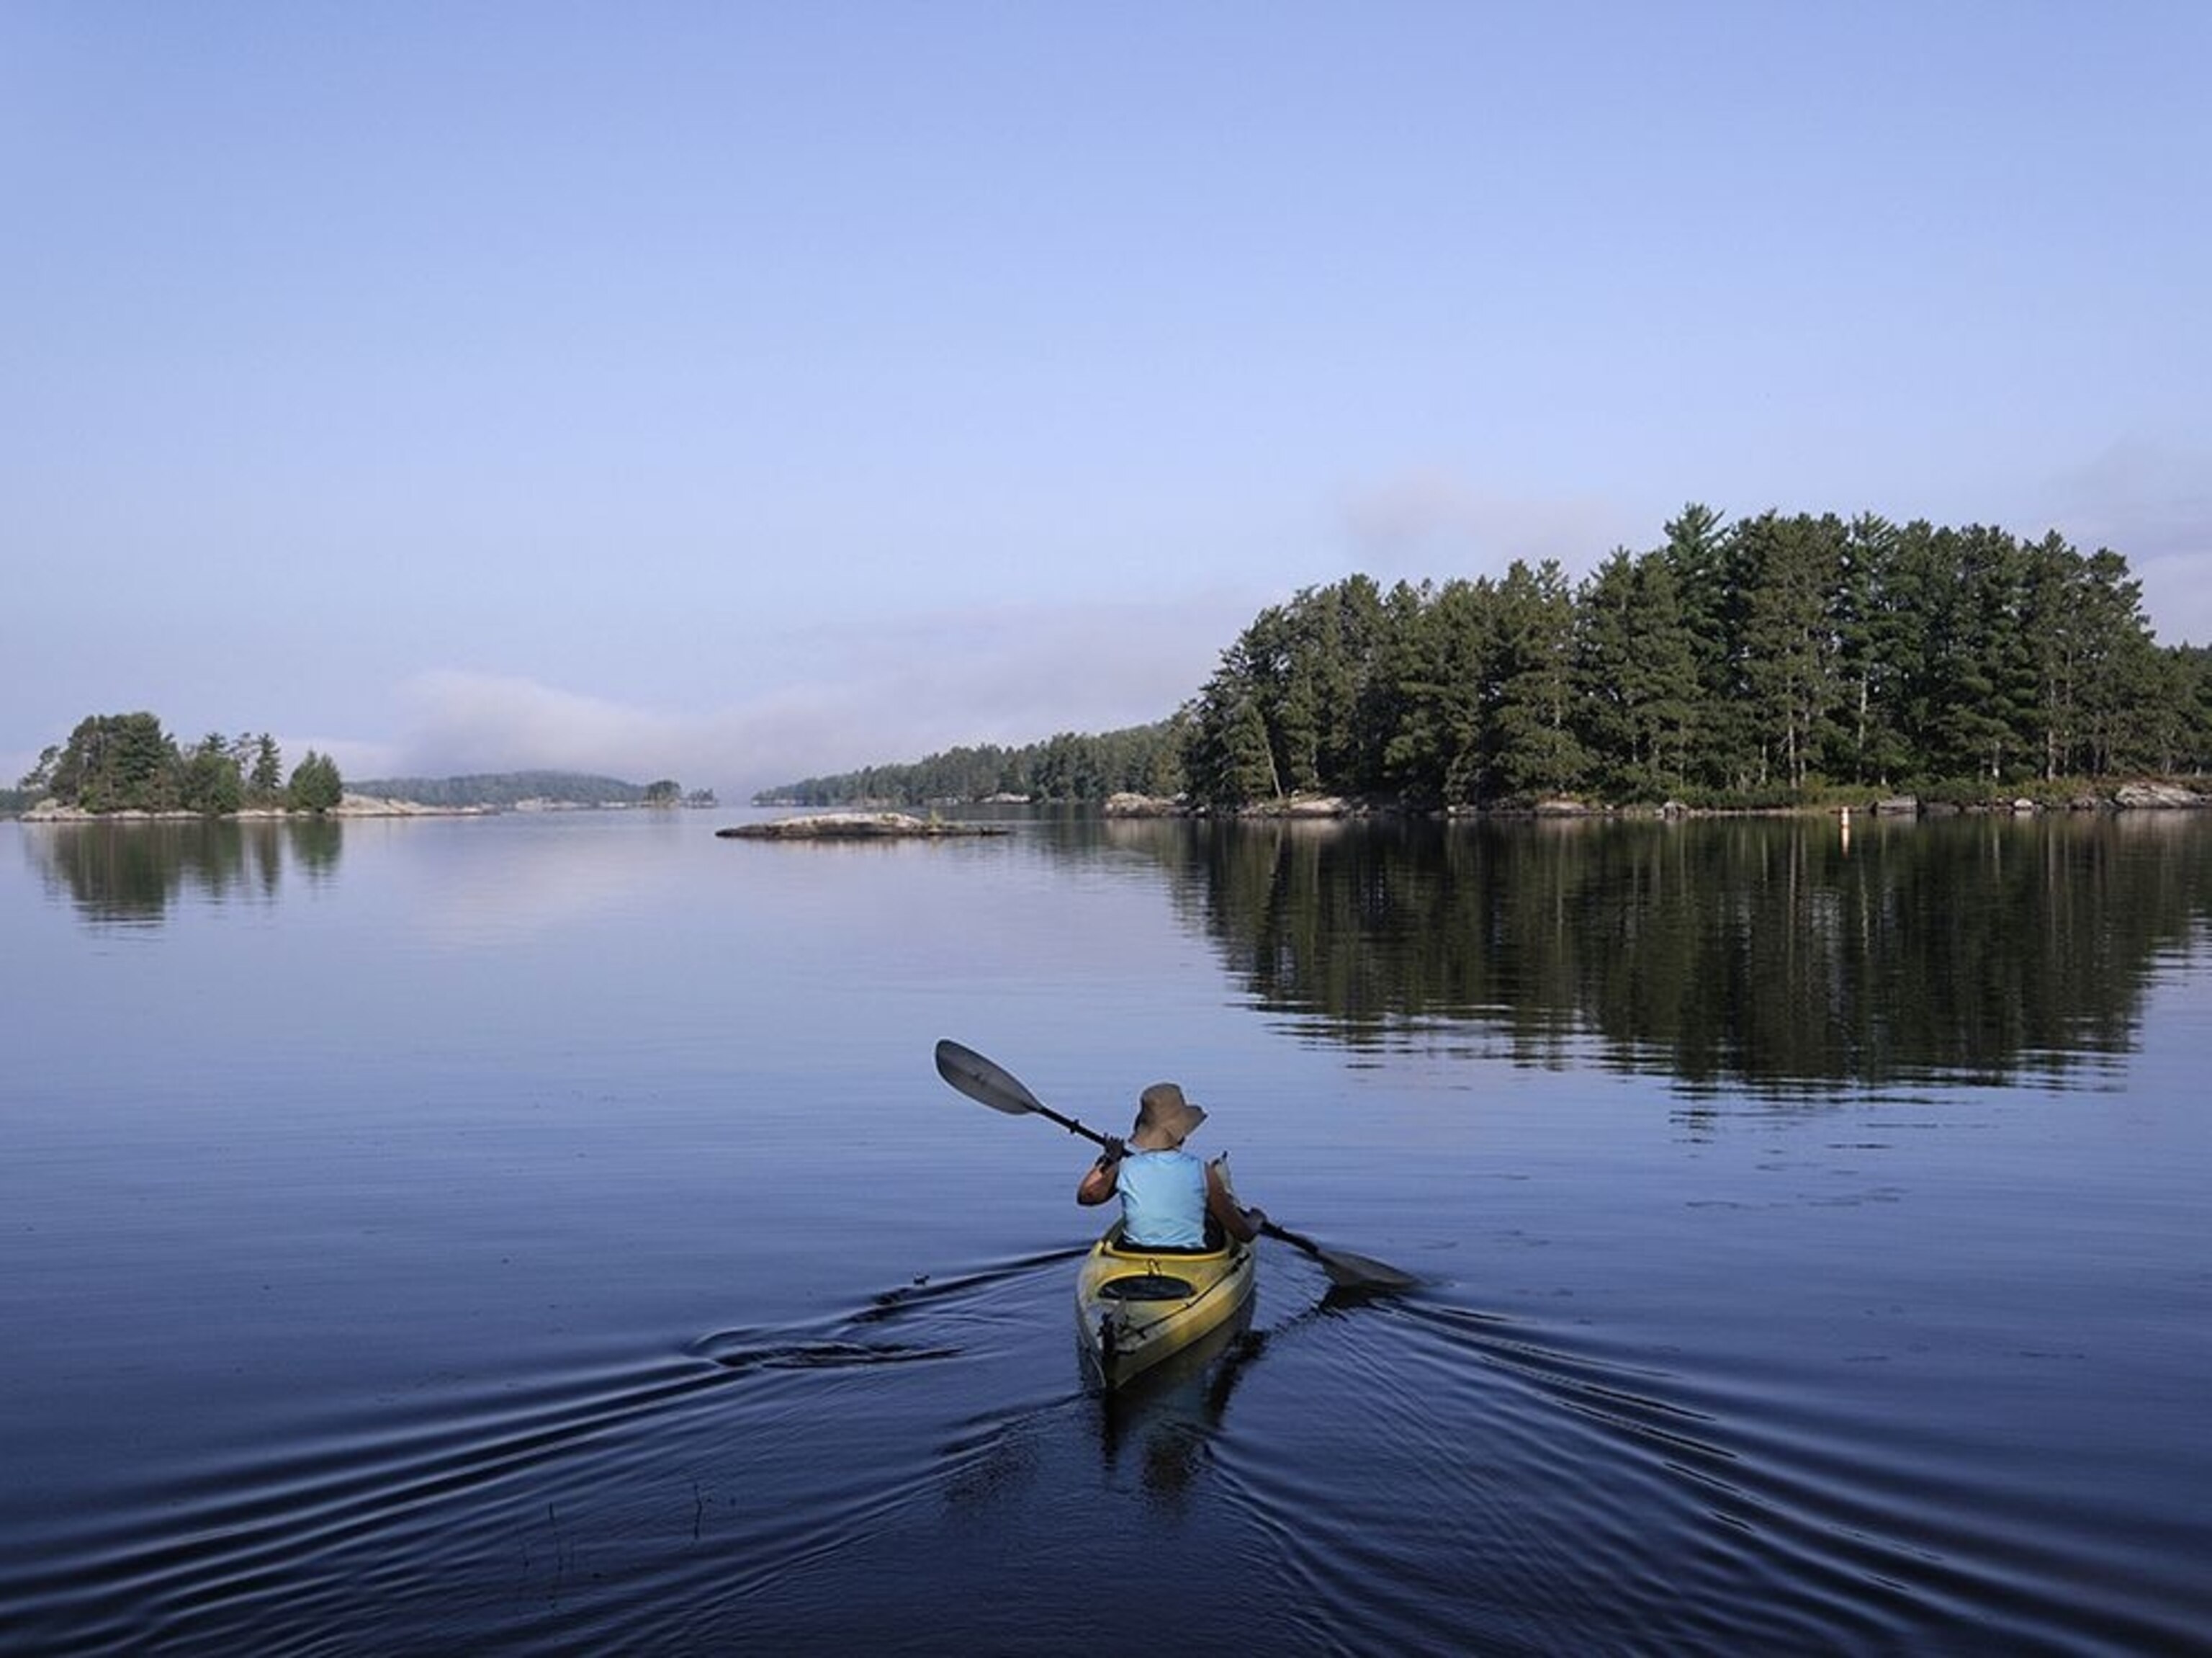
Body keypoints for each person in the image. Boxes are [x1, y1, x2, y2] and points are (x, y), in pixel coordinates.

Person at [1076, 1081, 1266, 1249]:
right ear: (1183, 1132)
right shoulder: (1203, 1172)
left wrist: (1108, 1159)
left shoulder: (1123, 1167)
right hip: (1192, 1259)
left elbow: (1086, 1197)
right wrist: (1257, 1220)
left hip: (1136, 1254)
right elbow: (1244, 1234)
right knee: (1213, 1221)